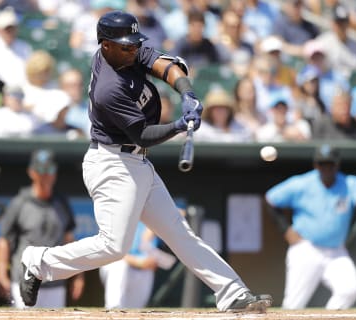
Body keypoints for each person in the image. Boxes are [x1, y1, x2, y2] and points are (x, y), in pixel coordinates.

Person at [19, 10, 272, 313]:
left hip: (135, 164)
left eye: (134, 44)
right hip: (112, 163)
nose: (133, 50)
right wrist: (179, 126)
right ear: (105, 45)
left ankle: (232, 293)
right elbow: (143, 135)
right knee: (113, 247)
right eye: (126, 46)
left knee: (180, 233)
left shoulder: (125, 52)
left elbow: (165, 66)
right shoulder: (108, 88)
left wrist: (187, 92)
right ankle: (39, 262)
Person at [265, 144, 356, 309]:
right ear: (316, 165)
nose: (326, 168)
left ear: (337, 164)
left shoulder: (349, 183)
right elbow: (271, 199)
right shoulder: (302, 183)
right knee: (293, 305)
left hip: (336, 252)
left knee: (349, 290)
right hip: (307, 249)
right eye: (322, 164)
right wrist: (285, 229)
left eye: (330, 164)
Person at [0, 149, 84, 308]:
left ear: (55, 172)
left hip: (55, 282)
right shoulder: (20, 202)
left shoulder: (61, 203)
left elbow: (69, 240)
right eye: (41, 170)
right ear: (32, 172)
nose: (45, 175)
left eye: (49, 170)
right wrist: (1, 274)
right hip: (24, 281)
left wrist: (78, 276)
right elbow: (4, 240)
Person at [99, 222, 165, 309]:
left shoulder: (154, 219)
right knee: (119, 265)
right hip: (117, 264)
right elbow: (110, 251)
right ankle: (113, 307)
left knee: (134, 310)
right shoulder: (119, 217)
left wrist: (154, 226)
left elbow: (180, 214)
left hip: (142, 270)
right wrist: (138, 262)